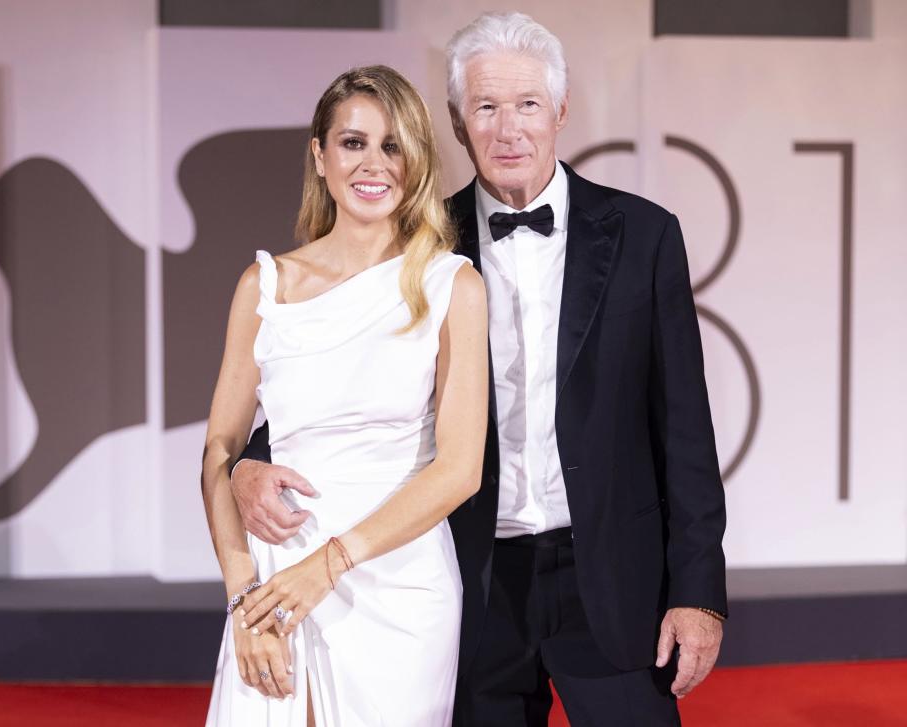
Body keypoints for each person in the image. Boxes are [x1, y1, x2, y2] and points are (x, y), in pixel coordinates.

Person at [233, 12, 728, 726]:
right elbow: (333, 385)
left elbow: (684, 425)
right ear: (459, 125)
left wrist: (699, 591)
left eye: (527, 104)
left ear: (561, 110)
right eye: (485, 108)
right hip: (469, 578)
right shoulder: (416, 247)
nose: (508, 128)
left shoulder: (646, 235)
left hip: (615, 578)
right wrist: (252, 459)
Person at [200, 65, 488, 726]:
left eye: (393, 145)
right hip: (273, 580)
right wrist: (245, 596)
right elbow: (219, 447)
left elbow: (460, 468)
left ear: (415, 162)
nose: (374, 163)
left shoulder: (452, 286)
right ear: (320, 156)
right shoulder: (265, 285)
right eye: (353, 142)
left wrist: (331, 563)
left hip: (398, 583)